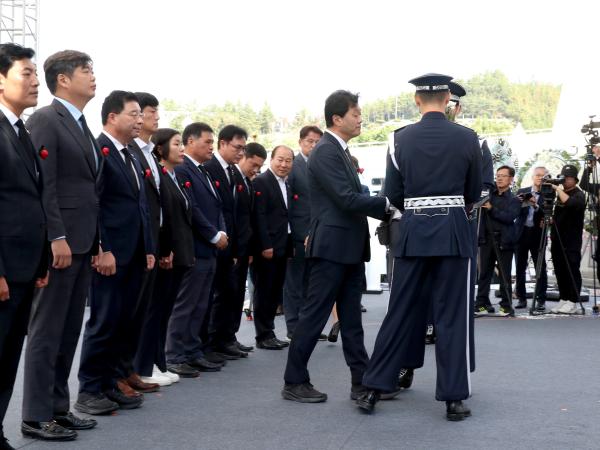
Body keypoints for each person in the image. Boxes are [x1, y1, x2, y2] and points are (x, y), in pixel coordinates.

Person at [358, 74, 481, 421]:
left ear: (416, 101)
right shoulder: (468, 138)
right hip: (454, 232)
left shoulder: (399, 140)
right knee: (451, 317)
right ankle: (454, 398)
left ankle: (373, 388)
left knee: (399, 311)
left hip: (413, 232)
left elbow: (393, 194)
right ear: (447, 100)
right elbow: (473, 192)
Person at [282, 90, 388, 403]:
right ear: (337, 118)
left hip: (347, 248)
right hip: (330, 249)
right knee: (314, 316)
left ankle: (362, 380)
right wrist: (387, 205)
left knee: (352, 319)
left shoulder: (338, 150)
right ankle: (294, 380)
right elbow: (346, 198)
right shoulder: (326, 151)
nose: (360, 119)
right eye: (355, 114)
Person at [21, 49, 100, 442]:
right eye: (86, 70)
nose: (93, 76)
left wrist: (95, 241)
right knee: (47, 331)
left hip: (84, 242)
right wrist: (57, 236)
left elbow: (89, 189)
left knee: (69, 330)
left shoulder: (82, 124)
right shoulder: (46, 120)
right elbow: (44, 184)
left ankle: (57, 407)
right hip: (62, 244)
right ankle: (34, 415)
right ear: (64, 79)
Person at [76, 91, 154, 414]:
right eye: (133, 114)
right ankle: (89, 389)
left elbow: (141, 206)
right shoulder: (100, 150)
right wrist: (102, 247)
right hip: (111, 254)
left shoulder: (130, 154)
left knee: (125, 321)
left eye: (140, 115)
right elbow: (95, 206)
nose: (139, 120)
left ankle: (111, 382)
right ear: (112, 117)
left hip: (134, 253)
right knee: (104, 321)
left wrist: (148, 248)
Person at [0, 43, 48, 450]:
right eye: (26, 73)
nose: (35, 82)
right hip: (3, 268)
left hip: (24, 266)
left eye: (35, 74)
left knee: (6, 358)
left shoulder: (20, 130)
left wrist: (42, 259)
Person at [166, 122, 227, 376]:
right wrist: (213, 235)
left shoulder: (203, 171)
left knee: (201, 304)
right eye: (207, 142)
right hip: (194, 247)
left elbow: (216, 206)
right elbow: (192, 209)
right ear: (191, 142)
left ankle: (192, 351)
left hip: (209, 249)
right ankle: (175, 355)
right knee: (186, 304)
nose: (212, 147)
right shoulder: (183, 170)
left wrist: (221, 231)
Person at [135, 128, 191, 385]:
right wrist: (165, 249)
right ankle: (145, 365)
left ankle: (158, 361)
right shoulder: (159, 175)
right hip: (163, 253)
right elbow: (162, 217)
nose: (182, 149)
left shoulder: (173, 176)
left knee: (163, 312)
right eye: (177, 144)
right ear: (160, 149)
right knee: (153, 313)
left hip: (175, 252)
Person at [122, 92, 168, 392]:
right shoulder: (130, 151)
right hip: (130, 244)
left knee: (140, 312)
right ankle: (116, 375)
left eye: (149, 113)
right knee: (121, 315)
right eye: (145, 112)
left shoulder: (149, 152)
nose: (150, 118)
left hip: (150, 243)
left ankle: (129, 370)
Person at [204, 125, 254, 358]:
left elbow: (239, 213)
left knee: (231, 294)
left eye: (243, 148)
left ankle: (227, 337)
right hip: (217, 243)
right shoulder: (209, 168)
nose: (240, 153)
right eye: (237, 147)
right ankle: (213, 342)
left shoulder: (234, 173)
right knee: (217, 296)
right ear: (222, 144)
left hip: (235, 245)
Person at [252, 145, 294, 349]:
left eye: (288, 161)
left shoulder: (287, 184)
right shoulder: (261, 182)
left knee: (275, 290)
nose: (284, 164)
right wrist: (265, 245)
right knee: (264, 290)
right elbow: (258, 216)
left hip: (283, 245)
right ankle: (263, 335)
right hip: (267, 248)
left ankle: (269, 332)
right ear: (272, 159)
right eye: (280, 159)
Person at [231, 143, 267, 342]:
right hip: (233, 248)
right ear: (244, 157)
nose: (256, 170)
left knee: (237, 295)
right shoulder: (233, 177)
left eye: (259, 167)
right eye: (253, 165)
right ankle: (221, 339)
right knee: (227, 296)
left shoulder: (248, 181)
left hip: (245, 248)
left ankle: (230, 337)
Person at [475, 165, 521, 317]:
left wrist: (491, 209)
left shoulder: (514, 199)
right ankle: (481, 304)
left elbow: (509, 217)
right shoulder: (488, 195)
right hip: (487, 239)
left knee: (505, 275)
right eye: (497, 175)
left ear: (511, 179)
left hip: (504, 241)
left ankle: (506, 306)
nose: (499, 178)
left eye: (503, 175)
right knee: (484, 274)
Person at [550, 165, 586, 314]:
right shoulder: (560, 194)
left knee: (572, 269)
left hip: (571, 240)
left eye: (568, 178)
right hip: (558, 238)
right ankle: (564, 298)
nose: (565, 181)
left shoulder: (579, 194)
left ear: (575, 180)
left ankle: (573, 301)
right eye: (563, 178)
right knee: (559, 269)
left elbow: (570, 203)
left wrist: (557, 189)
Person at [515, 167, 548, 311]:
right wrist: (519, 202)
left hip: (538, 234)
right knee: (520, 268)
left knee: (540, 267)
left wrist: (535, 205)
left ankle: (541, 299)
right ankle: (521, 298)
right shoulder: (522, 191)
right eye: (538, 175)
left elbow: (548, 212)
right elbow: (514, 211)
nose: (540, 178)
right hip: (521, 233)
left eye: (543, 176)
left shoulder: (549, 193)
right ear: (533, 177)